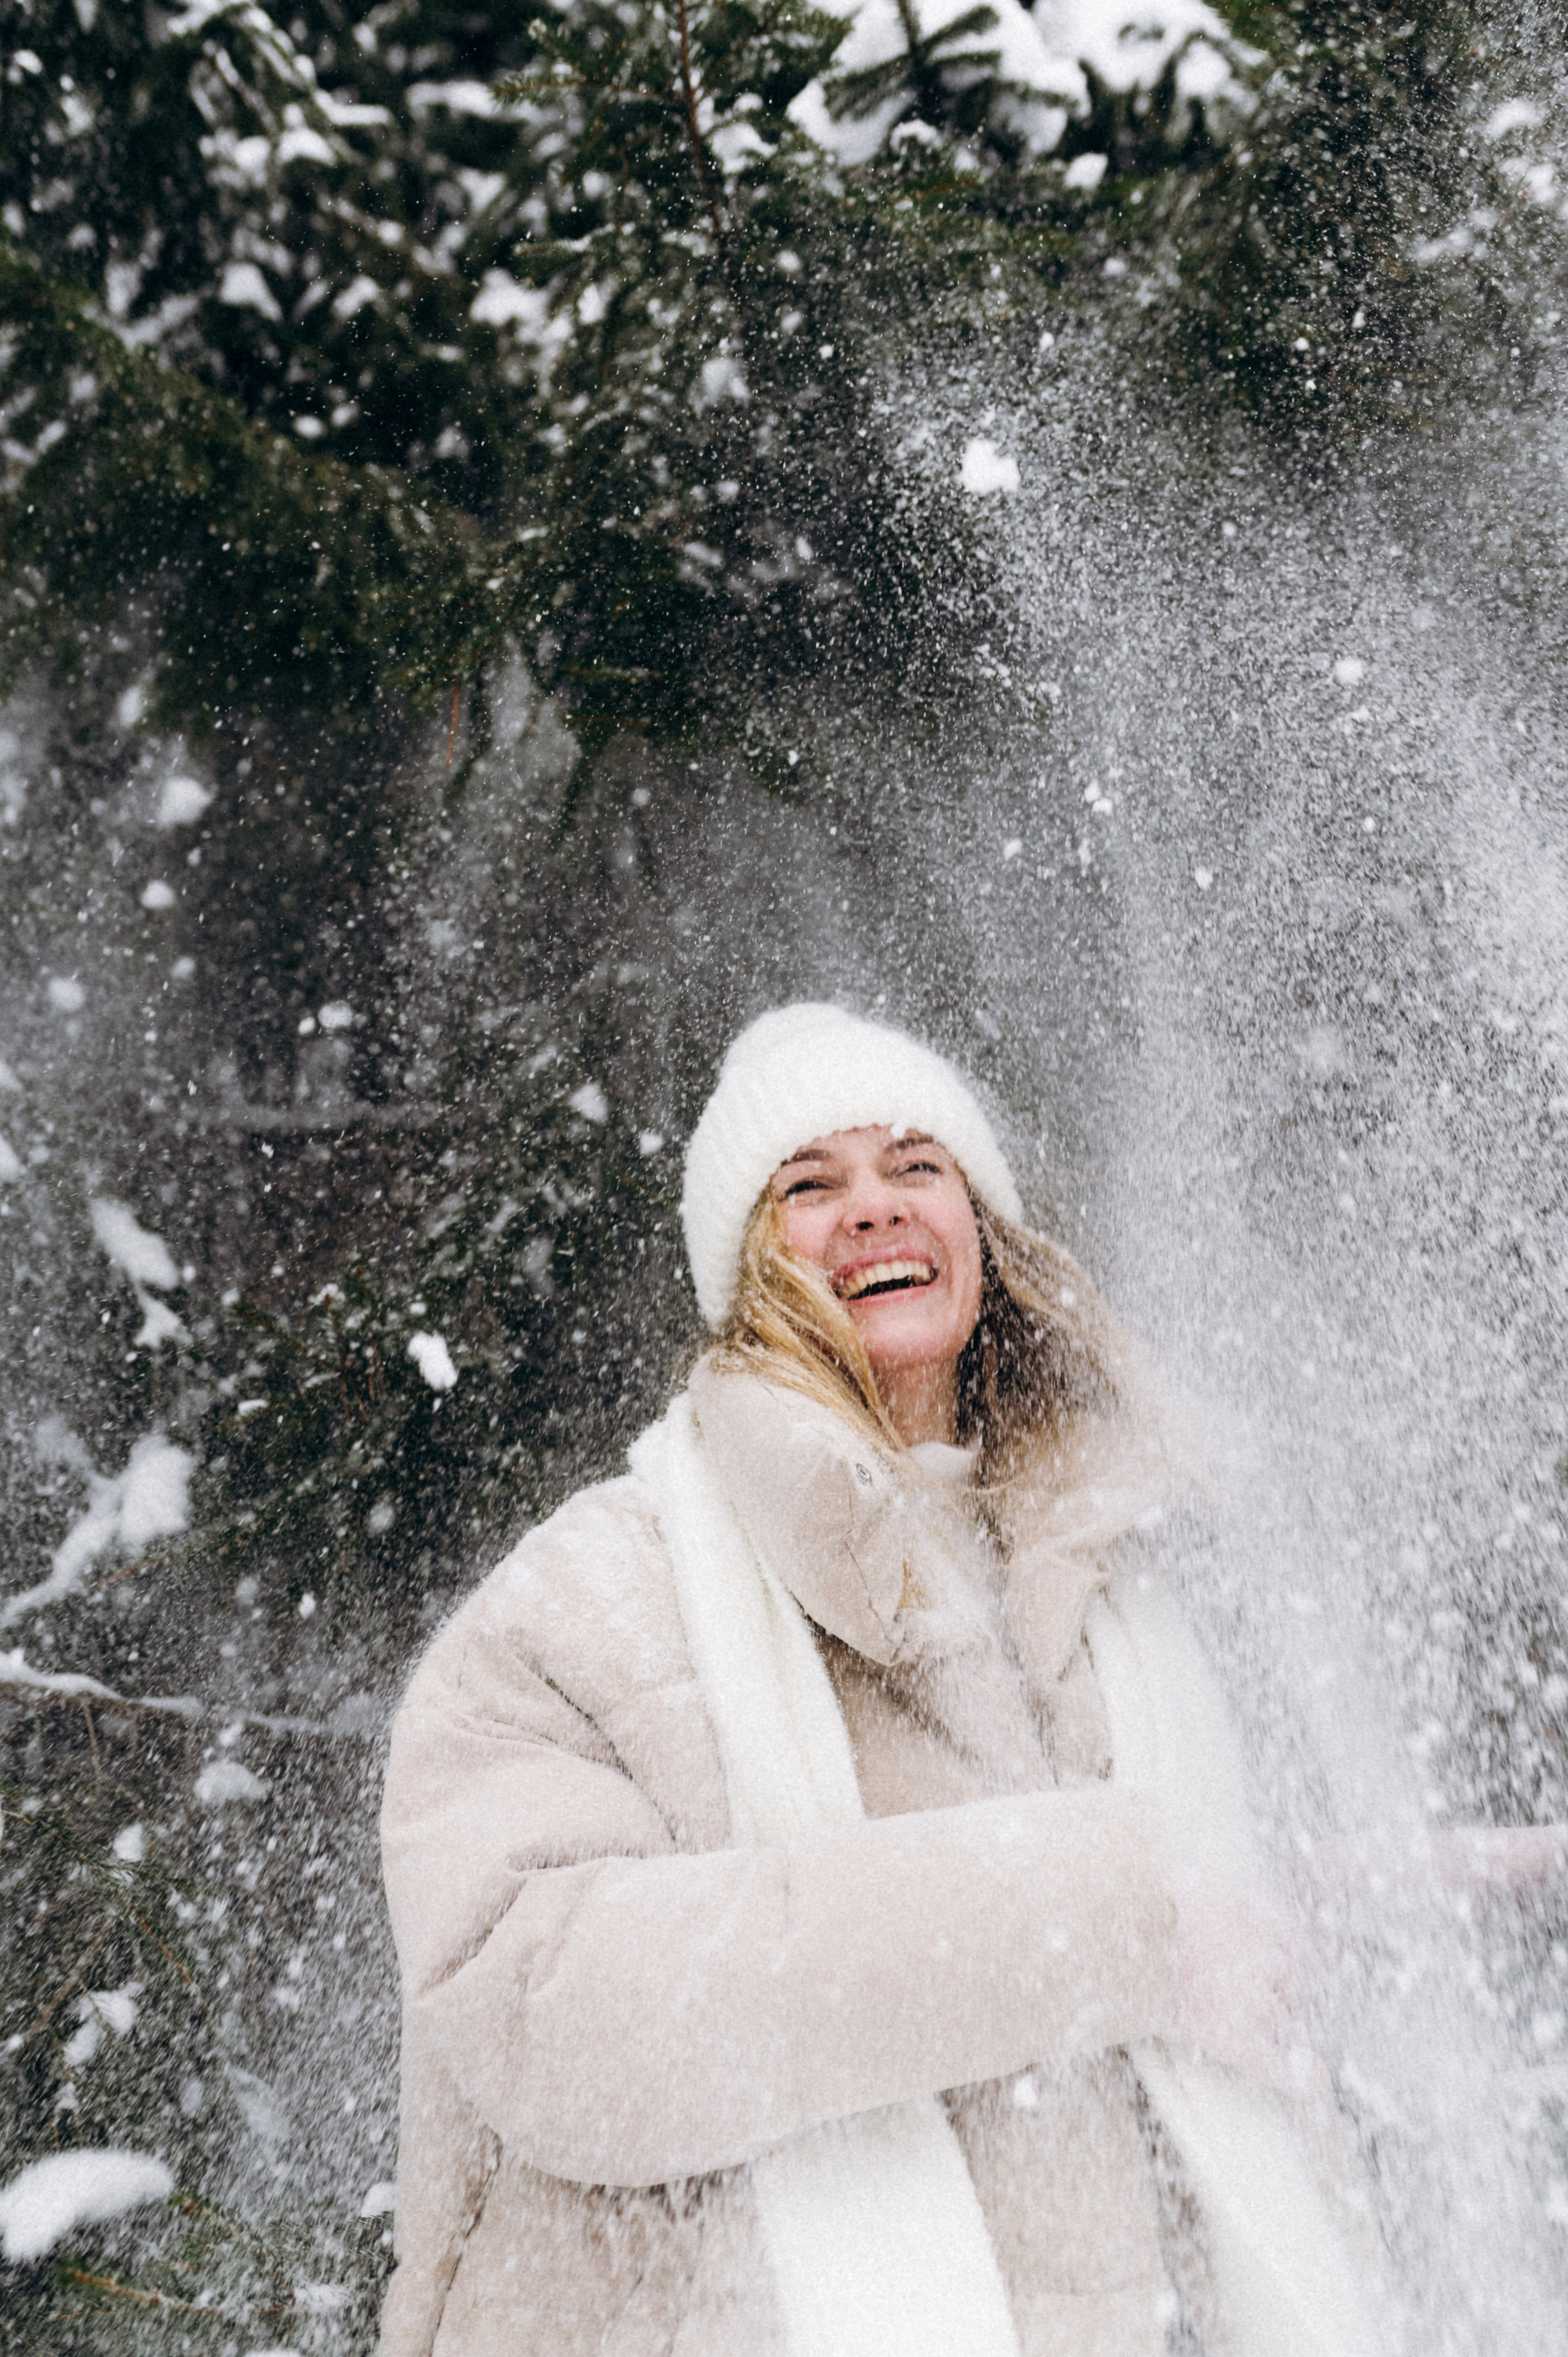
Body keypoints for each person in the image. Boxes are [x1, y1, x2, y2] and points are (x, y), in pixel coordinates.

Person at [378, 1002, 1498, 2357]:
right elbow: (544, 2012)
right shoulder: (595, 1594)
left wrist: (1274, 1892)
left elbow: (1185, 1953)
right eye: (808, 1185)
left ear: (981, 1228)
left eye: (916, 1167)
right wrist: (1103, 1924)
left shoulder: (1101, 1579)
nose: (871, 1209)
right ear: (742, 1270)